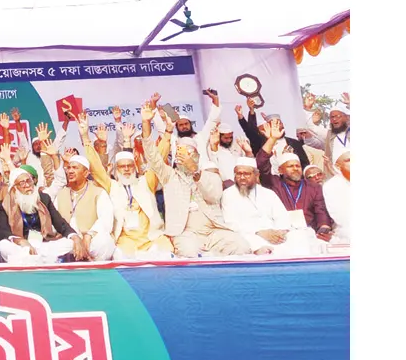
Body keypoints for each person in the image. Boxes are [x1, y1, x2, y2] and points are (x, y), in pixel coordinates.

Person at [143, 103, 252, 258]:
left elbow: (214, 195)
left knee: (241, 246)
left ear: (197, 156)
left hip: (213, 230)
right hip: (185, 232)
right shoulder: (169, 176)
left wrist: (195, 171)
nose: (184, 156)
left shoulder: (209, 174)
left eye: (189, 153)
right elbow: (152, 155)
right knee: (188, 252)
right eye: (180, 152)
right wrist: (146, 123)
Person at [257, 119, 334, 241]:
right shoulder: (273, 183)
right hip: (282, 236)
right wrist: (272, 139)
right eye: (290, 166)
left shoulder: (313, 187)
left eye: (297, 166)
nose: (295, 168)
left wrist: (324, 227)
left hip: (310, 235)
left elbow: (321, 210)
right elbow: (261, 164)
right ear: (280, 170)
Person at [221, 158, 315, 257]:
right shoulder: (228, 194)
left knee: (299, 236)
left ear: (256, 175)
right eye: (238, 174)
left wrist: (280, 232)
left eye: (247, 174)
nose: (242, 177)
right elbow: (231, 223)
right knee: (257, 246)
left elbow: (282, 216)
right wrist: (260, 232)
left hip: (275, 234)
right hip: (250, 235)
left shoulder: (268, 193)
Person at [0, 166, 86, 265]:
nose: (27, 185)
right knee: (3, 245)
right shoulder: (5, 204)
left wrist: (75, 237)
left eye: (29, 181)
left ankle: (30, 259)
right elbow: (2, 230)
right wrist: (20, 241)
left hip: (43, 244)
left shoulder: (44, 199)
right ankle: (42, 259)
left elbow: (60, 223)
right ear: (14, 188)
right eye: (22, 183)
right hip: (21, 245)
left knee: (70, 243)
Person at [46, 141, 115, 262]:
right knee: (48, 248)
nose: (70, 171)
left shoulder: (98, 192)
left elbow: (106, 219)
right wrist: (71, 237)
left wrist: (89, 235)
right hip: (69, 240)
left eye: (75, 168)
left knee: (105, 243)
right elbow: (54, 221)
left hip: (91, 240)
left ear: (86, 173)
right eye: (69, 168)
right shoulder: (62, 193)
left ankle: (91, 263)